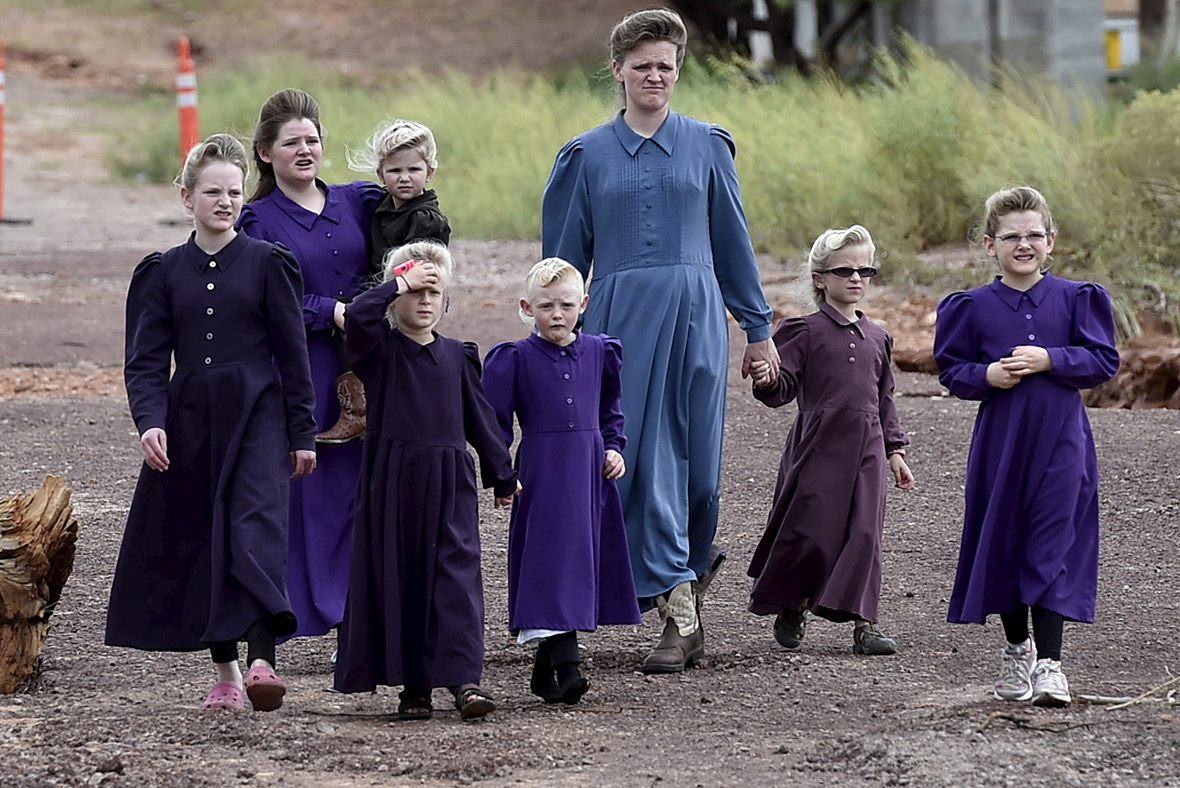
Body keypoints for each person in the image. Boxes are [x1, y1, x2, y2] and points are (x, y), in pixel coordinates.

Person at [541, 6, 779, 673]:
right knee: (637, 467)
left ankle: (689, 574)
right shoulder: (583, 156)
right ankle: (679, 611)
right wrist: (558, 344)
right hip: (616, 325)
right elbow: (560, 265)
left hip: (699, 317)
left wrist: (757, 331)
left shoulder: (709, 145)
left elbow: (733, 245)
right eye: (642, 66)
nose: (655, 77)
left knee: (700, 475)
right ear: (618, 71)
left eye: (666, 67)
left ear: (678, 71)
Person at [105, 133, 317, 712]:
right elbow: (145, 361)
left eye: (233, 191)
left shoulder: (270, 264)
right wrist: (150, 422)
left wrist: (303, 433)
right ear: (186, 197)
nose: (225, 201)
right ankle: (224, 671)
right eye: (212, 192)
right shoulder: (162, 271)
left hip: (258, 413)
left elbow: (294, 357)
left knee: (255, 528)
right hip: (190, 417)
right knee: (204, 534)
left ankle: (263, 659)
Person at [933, 186, 1119, 707]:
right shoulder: (970, 307)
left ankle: (1051, 666)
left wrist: (1051, 360)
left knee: (1053, 543)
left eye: (1034, 234)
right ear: (990, 245)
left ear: (1051, 241)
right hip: (1001, 443)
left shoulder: (1078, 299)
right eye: (1011, 236)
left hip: (1063, 442)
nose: (1024, 244)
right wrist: (988, 373)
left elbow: (1104, 361)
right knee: (1007, 540)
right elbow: (952, 370)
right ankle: (1017, 649)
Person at [333, 240, 520, 722]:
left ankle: (464, 682)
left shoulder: (459, 356)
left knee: (456, 577)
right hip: (393, 481)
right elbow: (356, 317)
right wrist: (399, 280)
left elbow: (480, 419)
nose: (424, 301)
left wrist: (502, 474)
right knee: (404, 578)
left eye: (433, 292)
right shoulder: (378, 352)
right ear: (396, 298)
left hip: (449, 480)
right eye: (415, 292)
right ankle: (414, 687)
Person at [237, 89, 383, 648]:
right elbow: (255, 296)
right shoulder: (258, 219)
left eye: (312, 139)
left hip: (369, 364)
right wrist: (331, 311)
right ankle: (304, 609)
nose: (305, 150)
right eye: (291, 142)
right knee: (312, 490)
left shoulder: (359, 200)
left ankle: (361, 612)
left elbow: (414, 235)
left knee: (364, 486)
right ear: (265, 153)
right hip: (303, 367)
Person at [746, 225, 914, 657]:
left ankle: (865, 623)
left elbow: (885, 398)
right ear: (820, 278)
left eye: (865, 270)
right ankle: (793, 603)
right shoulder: (802, 331)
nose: (857, 278)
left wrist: (895, 451)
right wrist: (767, 377)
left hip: (869, 448)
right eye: (845, 270)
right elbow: (780, 389)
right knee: (812, 533)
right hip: (819, 446)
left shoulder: (878, 337)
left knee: (865, 534)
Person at [482, 258, 643, 704]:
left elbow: (611, 410)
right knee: (550, 561)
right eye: (546, 305)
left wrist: (614, 447)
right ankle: (569, 669)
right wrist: (501, 474)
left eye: (566, 305)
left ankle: (546, 670)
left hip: (590, 471)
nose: (556, 314)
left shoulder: (599, 351)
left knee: (577, 561)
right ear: (526, 307)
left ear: (583, 305)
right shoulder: (513, 358)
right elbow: (493, 422)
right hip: (543, 470)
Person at [348, 118, 452, 280]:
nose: (404, 178)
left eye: (414, 170)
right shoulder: (379, 204)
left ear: (429, 173)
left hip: (407, 294)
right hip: (374, 290)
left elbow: (413, 274)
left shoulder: (426, 221)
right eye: (395, 171)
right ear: (381, 174)